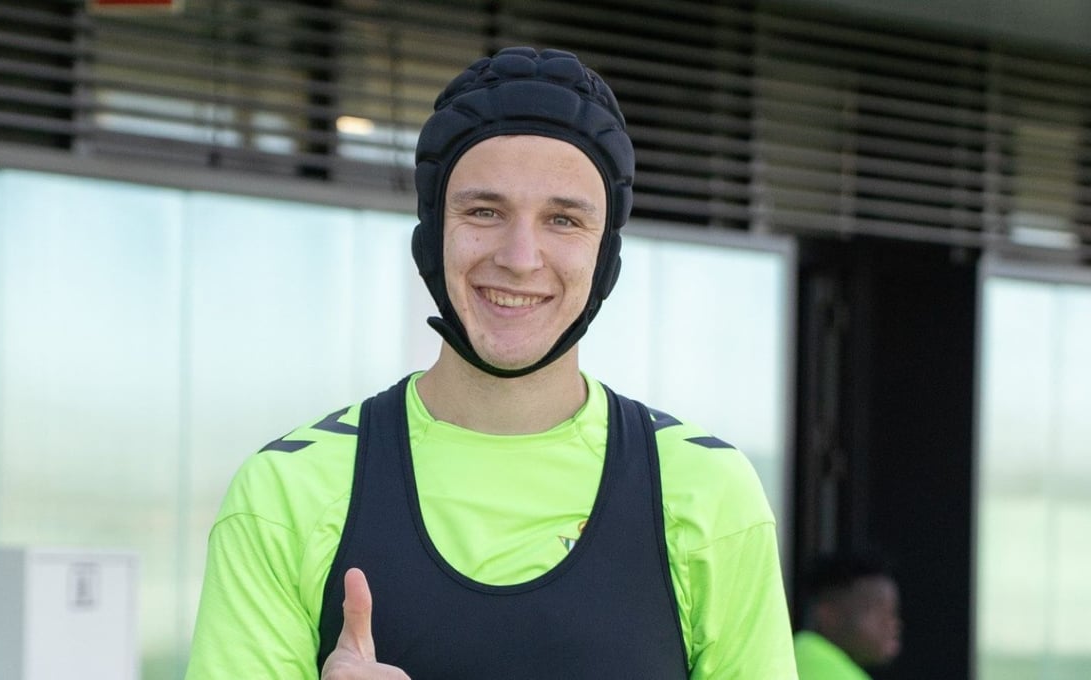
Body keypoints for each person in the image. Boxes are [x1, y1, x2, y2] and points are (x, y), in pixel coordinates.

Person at [185, 46, 796, 679]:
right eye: (484, 212)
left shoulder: (704, 490)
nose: (520, 257)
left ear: (605, 255)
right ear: (431, 235)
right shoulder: (288, 491)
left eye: (563, 219)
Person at [794, 552, 902, 680]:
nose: (892, 623)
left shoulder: (791, 654)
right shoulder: (814, 665)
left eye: (892, 613)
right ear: (829, 614)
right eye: (876, 611)